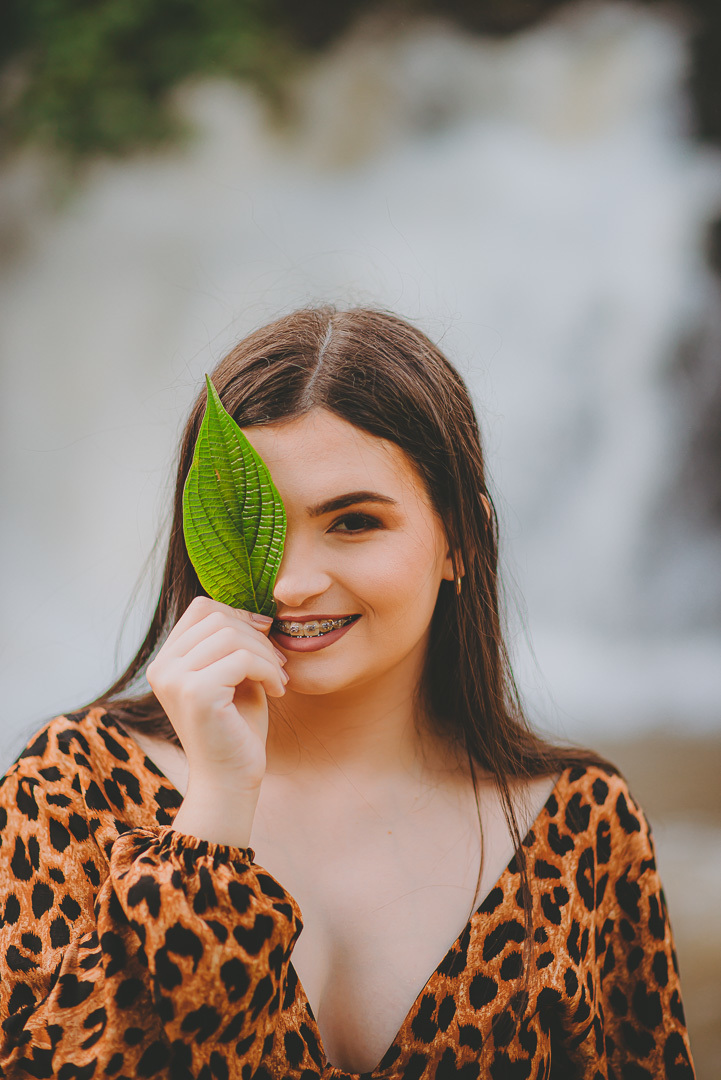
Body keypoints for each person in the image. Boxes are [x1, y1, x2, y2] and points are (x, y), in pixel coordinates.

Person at [0, 305, 695, 1079]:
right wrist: (211, 819)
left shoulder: (580, 825)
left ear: (459, 539)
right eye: (252, 523)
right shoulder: (73, 788)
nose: (294, 583)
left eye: (354, 522)